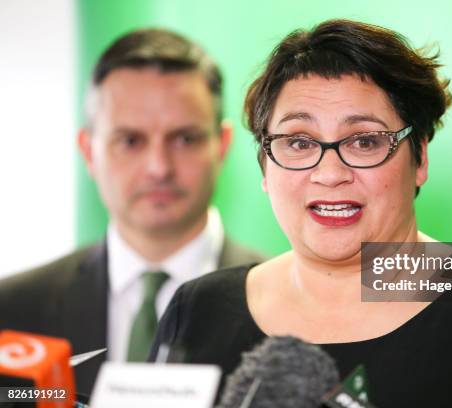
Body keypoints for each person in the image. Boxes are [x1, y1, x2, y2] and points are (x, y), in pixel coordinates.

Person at [150, 20, 452, 406]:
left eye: (364, 141)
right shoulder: (198, 308)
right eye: (300, 142)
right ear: (265, 165)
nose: (330, 173)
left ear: (419, 158)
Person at [0, 28, 264, 395]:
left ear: (221, 146)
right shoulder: (11, 313)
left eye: (185, 138)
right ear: (89, 151)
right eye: (130, 141)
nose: (159, 167)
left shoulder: (293, 308)